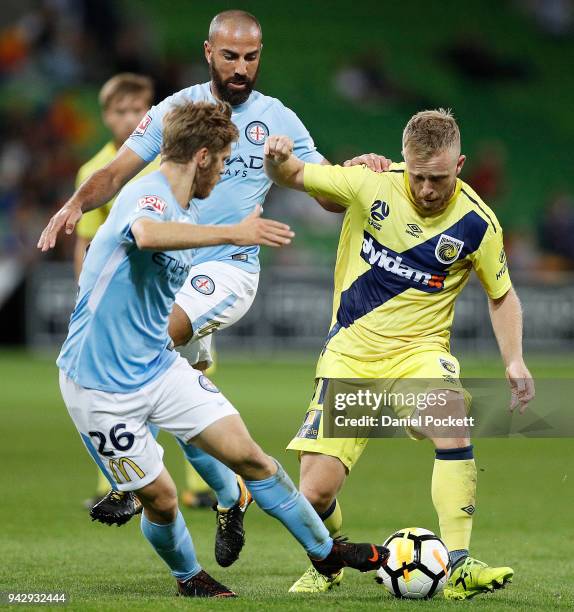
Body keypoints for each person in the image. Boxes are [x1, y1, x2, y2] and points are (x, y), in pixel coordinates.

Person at [37, 9, 389, 561]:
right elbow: (116, 170)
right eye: (230, 56)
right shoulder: (177, 110)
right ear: (209, 52)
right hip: (172, 270)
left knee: (154, 348)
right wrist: (75, 204)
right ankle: (229, 496)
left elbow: (324, 192)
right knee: (179, 389)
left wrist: (357, 170)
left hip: (228, 269)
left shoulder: (279, 120)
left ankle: (132, 476)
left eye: (251, 57)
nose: (241, 67)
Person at [264, 109, 535, 599]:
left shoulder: (477, 222)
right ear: (403, 161)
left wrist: (514, 360)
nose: (428, 189)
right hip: (350, 357)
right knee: (314, 493)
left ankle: (458, 564)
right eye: (418, 176)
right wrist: (276, 159)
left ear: (460, 164)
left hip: (419, 356)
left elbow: (502, 295)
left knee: (451, 420)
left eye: (439, 178)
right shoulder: (370, 183)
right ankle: (329, 564)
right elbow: (295, 176)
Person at [73, 73, 216, 512]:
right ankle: (117, 483)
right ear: (106, 116)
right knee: (119, 385)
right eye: (121, 111)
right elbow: (87, 240)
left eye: (139, 110)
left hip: (171, 289)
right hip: (122, 299)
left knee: (196, 378)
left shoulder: (166, 162)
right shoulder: (97, 172)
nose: (131, 118)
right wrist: (85, 293)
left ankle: (201, 483)